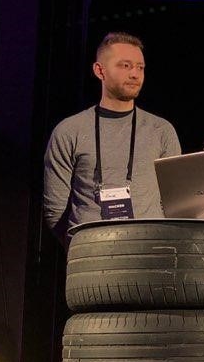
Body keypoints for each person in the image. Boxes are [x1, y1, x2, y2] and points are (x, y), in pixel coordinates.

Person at [43, 32, 181, 245]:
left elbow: (174, 201)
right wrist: (80, 248)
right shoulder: (69, 130)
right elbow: (55, 209)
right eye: (125, 66)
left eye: (140, 67)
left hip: (149, 250)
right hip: (91, 251)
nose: (135, 74)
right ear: (100, 71)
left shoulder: (161, 130)